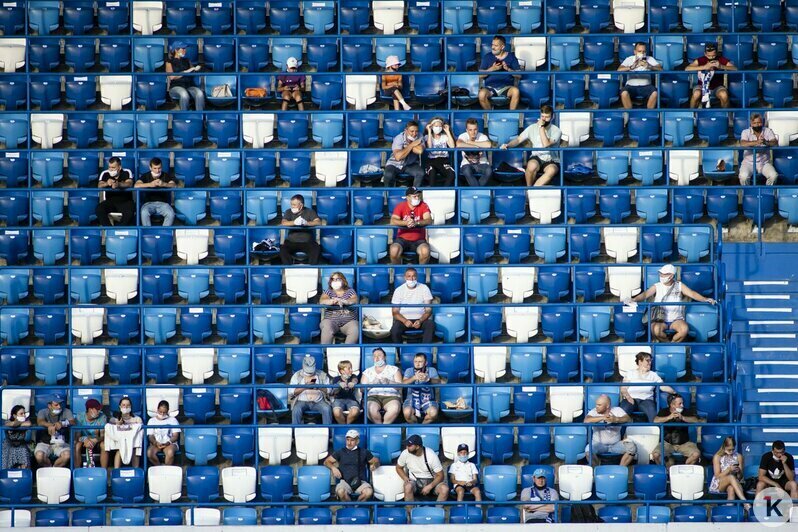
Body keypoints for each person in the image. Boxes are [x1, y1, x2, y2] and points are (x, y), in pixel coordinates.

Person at [627, 263, 717, 343]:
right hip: (660, 319)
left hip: (676, 319)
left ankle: (673, 344)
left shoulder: (679, 285)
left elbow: (692, 293)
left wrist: (705, 299)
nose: (661, 275)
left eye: (664, 274)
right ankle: (667, 344)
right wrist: (635, 299)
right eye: (661, 273)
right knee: (655, 330)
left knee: (684, 329)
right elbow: (645, 294)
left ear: (671, 276)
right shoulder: (657, 286)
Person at [500, 105, 562, 186]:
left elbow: (545, 144)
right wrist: (508, 145)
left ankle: (533, 190)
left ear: (552, 117)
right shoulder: (532, 127)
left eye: (547, 117)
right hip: (537, 157)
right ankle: (529, 188)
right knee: (531, 166)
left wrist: (541, 127)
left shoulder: (556, 130)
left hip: (552, 159)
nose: (544, 119)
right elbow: (518, 139)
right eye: (542, 116)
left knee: (552, 170)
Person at [324, 429, 380, 501]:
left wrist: (374, 465)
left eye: (352, 440)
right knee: (341, 492)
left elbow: (376, 461)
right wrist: (333, 468)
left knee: (368, 492)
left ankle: (356, 507)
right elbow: (326, 461)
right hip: (345, 482)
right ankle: (350, 508)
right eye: (347, 440)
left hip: (360, 481)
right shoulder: (340, 452)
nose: (349, 443)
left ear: (357, 441)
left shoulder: (364, 452)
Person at [620, 352, 675, 422]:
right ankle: (621, 431)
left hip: (646, 400)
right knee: (623, 412)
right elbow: (623, 388)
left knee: (652, 413)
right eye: (647, 360)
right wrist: (628, 397)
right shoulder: (630, 373)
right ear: (640, 362)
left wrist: (674, 392)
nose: (650, 363)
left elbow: (663, 386)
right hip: (630, 399)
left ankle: (657, 431)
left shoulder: (653, 375)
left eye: (650, 361)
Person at [584, 394, 638, 466]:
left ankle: (620, 468)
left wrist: (616, 419)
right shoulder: (594, 411)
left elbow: (627, 419)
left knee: (632, 447)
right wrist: (603, 418)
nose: (596, 407)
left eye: (599, 405)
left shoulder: (617, 410)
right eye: (596, 404)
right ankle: (598, 469)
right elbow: (586, 420)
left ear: (607, 406)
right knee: (588, 451)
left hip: (616, 444)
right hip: (599, 444)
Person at [652, 393, 701, 466]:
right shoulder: (664, 411)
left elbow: (695, 420)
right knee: (656, 455)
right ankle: (666, 471)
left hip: (684, 443)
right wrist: (669, 417)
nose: (682, 405)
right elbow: (655, 420)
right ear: (672, 405)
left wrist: (683, 418)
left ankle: (684, 468)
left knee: (696, 454)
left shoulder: (686, 411)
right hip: (667, 443)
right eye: (680, 404)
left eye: (682, 403)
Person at [396, 434, 449, 502]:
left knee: (445, 489)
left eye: (409, 446)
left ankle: (437, 511)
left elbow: (441, 476)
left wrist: (430, 486)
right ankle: (410, 512)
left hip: (431, 482)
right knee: (407, 486)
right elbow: (398, 468)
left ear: (417, 446)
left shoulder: (431, 455)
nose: (407, 447)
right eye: (407, 445)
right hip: (414, 481)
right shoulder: (405, 453)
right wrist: (405, 478)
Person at [391, 268, 435, 344]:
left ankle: (425, 351)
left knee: (430, 325)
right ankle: (399, 352)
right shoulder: (398, 290)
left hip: (421, 319)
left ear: (417, 277)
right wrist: (405, 321)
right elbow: (395, 312)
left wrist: (420, 320)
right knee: (395, 330)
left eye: (414, 276)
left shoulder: (424, 288)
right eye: (409, 276)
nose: (411, 279)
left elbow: (428, 310)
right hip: (404, 320)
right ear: (405, 277)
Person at [685, 43, 736, 108]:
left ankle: (725, 115)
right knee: (696, 94)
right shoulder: (701, 59)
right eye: (709, 56)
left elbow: (735, 68)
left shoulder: (720, 59)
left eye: (713, 56)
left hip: (717, 87)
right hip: (702, 86)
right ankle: (692, 114)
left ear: (716, 53)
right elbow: (687, 68)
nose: (711, 58)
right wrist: (704, 67)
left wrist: (721, 66)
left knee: (724, 94)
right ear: (705, 53)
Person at [389, 187, 432, 264]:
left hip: (419, 240)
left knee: (425, 251)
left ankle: (420, 273)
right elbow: (393, 221)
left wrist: (416, 223)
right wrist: (406, 223)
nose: (417, 198)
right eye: (414, 196)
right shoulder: (401, 206)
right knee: (394, 250)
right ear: (408, 197)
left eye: (418, 196)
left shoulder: (423, 205)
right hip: (402, 239)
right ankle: (399, 273)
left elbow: (428, 220)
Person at [360, 348, 403, 424]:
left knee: (394, 408)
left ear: (385, 357)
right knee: (370, 409)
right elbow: (362, 389)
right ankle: (379, 426)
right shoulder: (367, 371)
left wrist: (389, 382)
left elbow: (400, 386)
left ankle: (385, 426)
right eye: (374, 356)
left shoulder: (394, 369)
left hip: (391, 396)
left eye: (379, 355)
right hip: (373, 396)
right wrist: (372, 384)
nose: (377, 358)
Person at [478, 35, 521, 110]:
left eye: (496, 45)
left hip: (506, 87)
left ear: (502, 47)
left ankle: (511, 115)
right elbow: (480, 75)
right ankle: (490, 116)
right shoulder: (487, 57)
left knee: (516, 91)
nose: (493, 47)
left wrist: (508, 69)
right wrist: (492, 69)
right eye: (492, 45)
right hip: (490, 87)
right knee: (481, 94)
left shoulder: (512, 57)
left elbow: (519, 75)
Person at [617, 42, 662, 109]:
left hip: (646, 86)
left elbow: (661, 69)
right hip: (631, 86)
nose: (642, 53)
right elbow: (619, 70)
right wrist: (631, 67)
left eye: (644, 51)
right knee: (624, 93)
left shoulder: (650, 59)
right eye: (639, 51)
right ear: (635, 51)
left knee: (655, 93)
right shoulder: (629, 59)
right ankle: (630, 114)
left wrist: (650, 66)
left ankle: (649, 114)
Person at [289, 355, 332, 425]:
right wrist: (305, 387)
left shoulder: (322, 375)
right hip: (302, 401)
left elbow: (329, 390)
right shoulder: (297, 375)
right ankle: (295, 431)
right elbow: (291, 392)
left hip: (319, 401)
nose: (309, 373)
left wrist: (318, 387)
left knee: (327, 409)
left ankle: (328, 432)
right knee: (296, 410)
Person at [279, 194, 321, 265]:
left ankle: (312, 269)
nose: (292, 206)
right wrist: (294, 222)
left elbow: (318, 222)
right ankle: (288, 269)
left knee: (316, 248)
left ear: (301, 205)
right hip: (291, 242)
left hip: (307, 242)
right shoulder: (288, 211)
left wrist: (306, 223)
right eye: (291, 204)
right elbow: (284, 222)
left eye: (294, 204)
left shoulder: (309, 211)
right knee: (283, 249)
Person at [402, 352, 443, 424]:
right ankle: (416, 428)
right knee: (407, 413)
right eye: (415, 361)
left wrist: (428, 379)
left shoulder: (432, 370)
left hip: (428, 399)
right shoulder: (409, 370)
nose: (417, 364)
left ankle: (423, 427)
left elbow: (439, 382)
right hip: (411, 399)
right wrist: (414, 378)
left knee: (433, 413)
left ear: (426, 363)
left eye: (420, 361)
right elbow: (403, 383)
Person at [739, 113, 779, 186]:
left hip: (764, 163)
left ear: (762, 122)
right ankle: (748, 193)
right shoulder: (745, 132)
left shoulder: (768, 131)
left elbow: (775, 142)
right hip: (748, 163)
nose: (757, 125)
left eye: (759, 122)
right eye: (754, 123)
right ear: (751, 124)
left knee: (773, 175)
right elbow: (743, 143)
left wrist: (766, 142)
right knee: (743, 177)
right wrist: (757, 142)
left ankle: (767, 192)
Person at [35, 393, 74, 467]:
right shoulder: (42, 411)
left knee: (67, 456)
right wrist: (51, 425)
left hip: (61, 443)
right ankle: (48, 467)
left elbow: (72, 422)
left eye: (60, 404)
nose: (59, 407)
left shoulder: (66, 411)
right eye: (56, 405)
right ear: (49, 406)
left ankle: (55, 469)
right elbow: (40, 422)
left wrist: (62, 423)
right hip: (45, 442)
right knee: (39, 456)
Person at [134, 157, 176, 227]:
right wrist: (150, 184)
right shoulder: (145, 176)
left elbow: (174, 185)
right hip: (148, 203)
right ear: (150, 168)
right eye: (155, 168)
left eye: (159, 168)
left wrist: (164, 184)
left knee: (171, 213)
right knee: (144, 212)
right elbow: (136, 185)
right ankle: (148, 233)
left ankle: (163, 232)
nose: (157, 170)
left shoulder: (165, 175)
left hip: (163, 204)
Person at [104, 396, 143, 468]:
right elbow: (109, 428)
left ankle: (135, 470)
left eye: (128, 405)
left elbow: (140, 431)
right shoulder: (114, 419)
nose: (126, 407)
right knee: (119, 451)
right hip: (119, 442)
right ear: (120, 406)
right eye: (123, 405)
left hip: (133, 442)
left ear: (131, 407)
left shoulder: (137, 419)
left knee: (135, 450)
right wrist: (117, 424)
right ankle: (116, 471)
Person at [320, 272, 359, 344]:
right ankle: (326, 352)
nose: (335, 281)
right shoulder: (328, 291)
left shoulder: (350, 291)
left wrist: (346, 302)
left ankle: (346, 352)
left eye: (337, 279)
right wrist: (331, 301)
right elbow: (322, 300)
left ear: (343, 280)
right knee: (326, 327)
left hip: (348, 321)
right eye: (333, 279)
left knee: (355, 329)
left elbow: (354, 300)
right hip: (331, 320)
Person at [384, 121, 425, 188]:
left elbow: (420, 151)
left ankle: (414, 193)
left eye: (416, 131)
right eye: (412, 131)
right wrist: (412, 145)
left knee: (420, 173)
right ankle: (388, 194)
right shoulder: (399, 138)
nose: (414, 134)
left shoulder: (420, 136)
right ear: (406, 130)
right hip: (394, 164)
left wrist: (407, 147)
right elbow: (398, 157)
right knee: (388, 175)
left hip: (410, 164)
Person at [96, 156, 135, 226]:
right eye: (109, 167)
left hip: (125, 202)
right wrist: (107, 183)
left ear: (119, 167)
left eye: (113, 168)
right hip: (110, 202)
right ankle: (109, 229)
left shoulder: (126, 172)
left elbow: (129, 183)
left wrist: (118, 184)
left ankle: (118, 228)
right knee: (99, 209)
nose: (111, 169)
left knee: (130, 211)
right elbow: (99, 185)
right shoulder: (105, 173)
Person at [165, 41, 204, 111]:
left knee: (199, 93)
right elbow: (172, 77)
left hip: (189, 86)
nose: (184, 50)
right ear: (176, 50)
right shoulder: (169, 62)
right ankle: (184, 116)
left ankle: (200, 116)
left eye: (185, 49)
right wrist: (186, 71)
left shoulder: (187, 60)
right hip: (176, 87)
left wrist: (196, 69)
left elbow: (192, 71)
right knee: (184, 94)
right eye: (182, 49)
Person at [456, 118, 494, 186]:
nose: (473, 132)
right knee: (466, 171)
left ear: (478, 129)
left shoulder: (482, 136)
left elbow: (488, 145)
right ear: (466, 130)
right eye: (470, 130)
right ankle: (478, 191)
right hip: (466, 164)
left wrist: (470, 143)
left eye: (475, 129)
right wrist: (476, 146)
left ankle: (476, 191)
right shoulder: (463, 136)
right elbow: (459, 144)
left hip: (482, 164)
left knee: (489, 170)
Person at [709, 436, 747, 504]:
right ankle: (745, 502)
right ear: (724, 447)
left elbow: (740, 477)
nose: (731, 451)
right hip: (720, 483)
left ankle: (729, 509)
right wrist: (729, 469)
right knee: (731, 477)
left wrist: (738, 472)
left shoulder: (739, 456)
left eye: (733, 449)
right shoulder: (717, 457)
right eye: (729, 450)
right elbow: (717, 476)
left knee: (731, 489)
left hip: (735, 482)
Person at [75, 398, 108, 468]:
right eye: (97, 409)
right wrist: (85, 440)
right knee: (77, 445)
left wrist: (96, 440)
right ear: (90, 409)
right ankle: (77, 469)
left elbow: (103, 436)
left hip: (97, 440)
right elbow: (77, 436)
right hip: (83, 440)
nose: (99, 411)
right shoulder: (79, 417)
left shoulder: (102, 417)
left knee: (104, 445)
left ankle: (104, 470)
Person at [146, 400, 180, 466]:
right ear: (157, 409)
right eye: (160, 412)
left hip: (170, 443)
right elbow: (150, 436)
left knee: (170, 452)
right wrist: (155, 443)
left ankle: (166, 469)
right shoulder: (151, 421)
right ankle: (159, 467)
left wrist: (168, 443)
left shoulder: (173, 420)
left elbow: (175, 436)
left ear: (168, 411)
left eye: (164, 412)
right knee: (149, 453)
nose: (162, 414)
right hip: (156, 443)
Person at [424, 117, 455, 186]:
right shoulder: (427, 137)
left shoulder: (444, 136)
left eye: (440, 126)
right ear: (432, 127)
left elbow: (452, 146)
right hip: (432, 161)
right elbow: (429, 147)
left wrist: (447, 131)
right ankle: (431, 192)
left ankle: (445, 191)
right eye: (436, 126)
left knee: (451, 173)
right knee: (432, 173)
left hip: (443, 161)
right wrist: (429, 131)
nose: (438, 128)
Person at [330, 360, 362, 424]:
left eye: (351, 368)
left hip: (351, 399)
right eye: (349, 368)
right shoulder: (336, 379)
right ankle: (344, 426)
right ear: (342, 371)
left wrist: (353, 383)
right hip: (338, 400)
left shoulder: (353, 376)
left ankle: (346, 426)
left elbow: (355, 379)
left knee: (355, 412)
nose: (351, 370)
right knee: (336, 412)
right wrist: (339, 385)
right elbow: (333, 392)